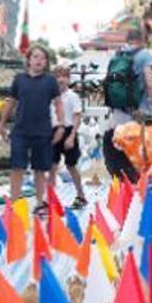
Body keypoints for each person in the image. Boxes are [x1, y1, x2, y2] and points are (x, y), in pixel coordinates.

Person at [0, 46, 64, 216]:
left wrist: (61, 125)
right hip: (20, 131)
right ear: (28, 59)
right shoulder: (19, 79)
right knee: (17, 167)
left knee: (40, 169)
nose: (39, 61)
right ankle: (13, 203)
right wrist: (2, 123)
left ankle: (40, 203)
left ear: (46, 62)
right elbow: (11, 102)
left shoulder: (50, 81)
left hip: (42, 132)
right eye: (35, 57)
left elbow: (58, 103)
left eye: (42, 58)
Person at [102, 44, 152, 182]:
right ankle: (137, 187)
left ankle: (123, 188)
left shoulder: (117, 57)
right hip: (138, 114)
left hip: (118, 115)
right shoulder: (144, 55)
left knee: (118, 154)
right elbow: (150, 84)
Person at [50, 65, 86, 209]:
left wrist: (71, 136)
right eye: (57, 76)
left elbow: (77, 116)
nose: (60, 80)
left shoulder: (72, 96)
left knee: (71, 165)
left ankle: (81, 195)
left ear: (68, 79)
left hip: (68, 131)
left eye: (63, 76)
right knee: (51, 166)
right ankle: (51, 198)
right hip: (54, 132)